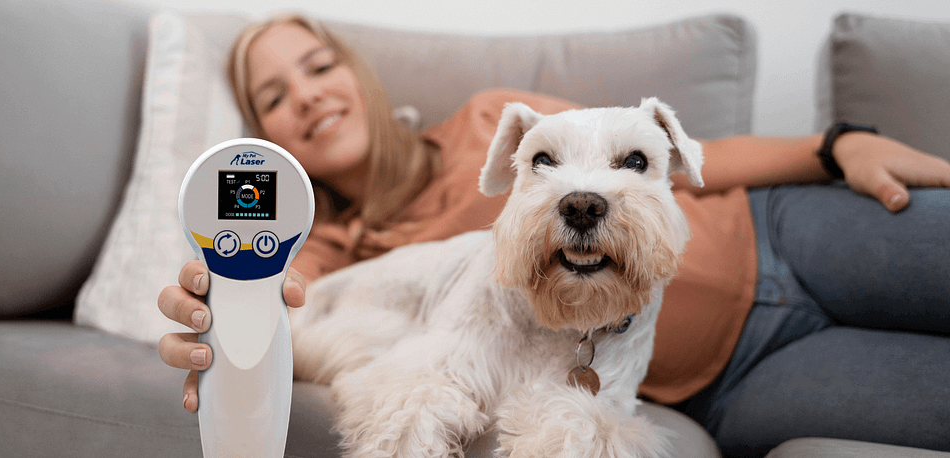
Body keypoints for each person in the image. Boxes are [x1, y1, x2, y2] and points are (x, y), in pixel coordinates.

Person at [156, 14, 950, 457]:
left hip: (777, 227)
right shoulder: (334, 247)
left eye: (318, 65)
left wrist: (836, 144)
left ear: (355, 74)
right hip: (734, 377)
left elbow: (667, 151)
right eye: (273, 96)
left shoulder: (486, 118)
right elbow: (274, 312)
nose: (308, 96)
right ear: (264, 136)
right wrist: (212, 325)